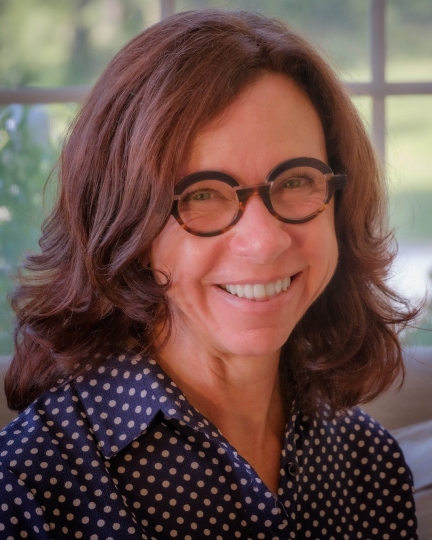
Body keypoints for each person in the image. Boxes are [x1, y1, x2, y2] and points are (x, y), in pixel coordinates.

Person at [0, 9, 419, 540]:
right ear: (125, 222)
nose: (265, 240)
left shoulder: (370, 466)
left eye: (296, 180)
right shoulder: (26, 491)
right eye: (202, 194)